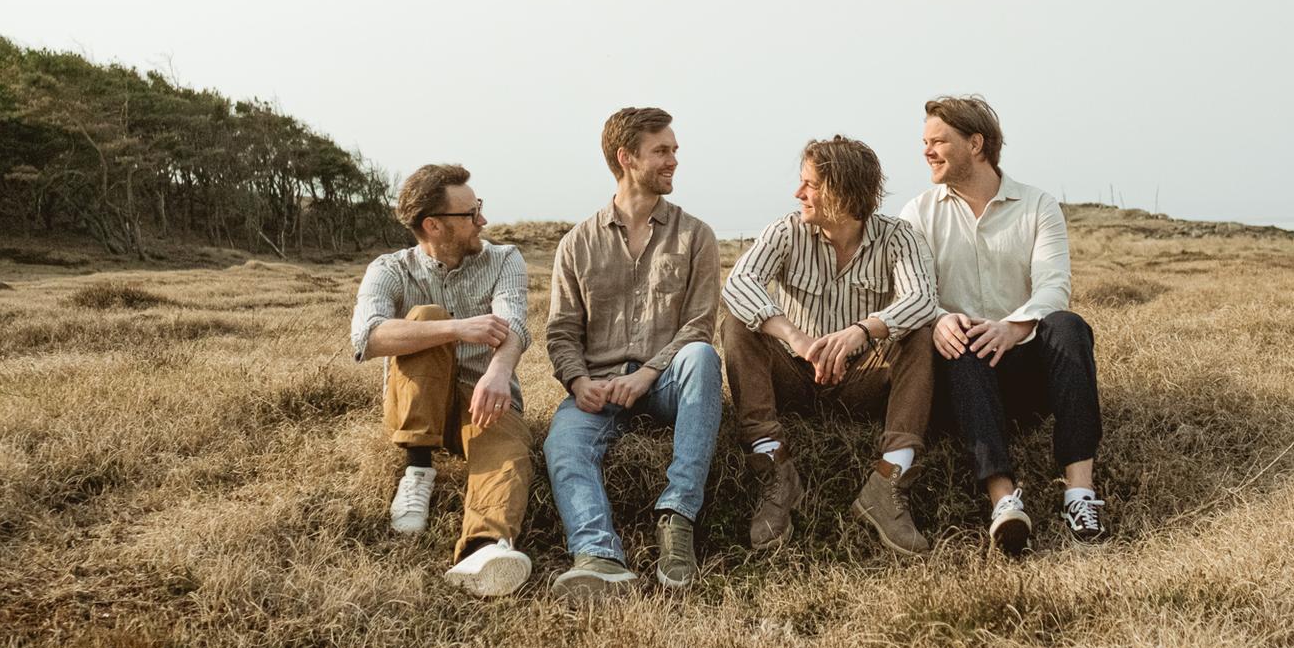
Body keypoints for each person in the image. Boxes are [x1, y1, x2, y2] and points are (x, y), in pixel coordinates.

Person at [899, 96, 1106, 555]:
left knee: (1068, 326)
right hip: (960, 381)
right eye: (925, 142)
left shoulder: (1037, 205)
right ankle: (1004, 501)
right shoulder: (917, 214)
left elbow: (1054, 286)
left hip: (1024, 372)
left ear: (976, 144)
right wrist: (938, 320)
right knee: (962, 339)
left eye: (938, 142)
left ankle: (1080, 493)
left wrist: (1011, 329)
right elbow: (912, 292)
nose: (927, 151)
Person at [722, 136, 939, 555]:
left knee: (920, 332)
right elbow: (739, 283)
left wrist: (862, 330)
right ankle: (774, 467)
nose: (798, 193)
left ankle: (889, 479)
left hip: (862, 382)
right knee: (738, 322)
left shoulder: (898, 237)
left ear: (843, 192)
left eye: (811, 185)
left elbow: (922, 299)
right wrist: (796, 337)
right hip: (793, 377)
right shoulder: (787, 230)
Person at [543, 108, 723, 598]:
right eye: (661, 151)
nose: (673, 160)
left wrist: (648, 374)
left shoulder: (695, 235)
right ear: (626, 158)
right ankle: (598, 556)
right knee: (563, 445)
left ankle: (677, 517)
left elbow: (699, 325)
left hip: (666, 381)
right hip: (598, 385)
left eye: (674, 150)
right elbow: (561, 331)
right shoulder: (576, 243)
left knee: (702, 357)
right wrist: (578, 381)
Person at [349, 164, 534, 595]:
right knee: (427, 317)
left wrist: (498, 373)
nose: (482, 220)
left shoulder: (505, 258)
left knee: (507, 450)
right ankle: (418, 469)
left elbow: (514, 324)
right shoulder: (390, 269)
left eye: (478, 207)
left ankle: (484, 549)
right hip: (419, 400)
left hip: (484, 394)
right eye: (470, 214)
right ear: (433, 225)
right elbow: (367, 338)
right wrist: (456, 328)